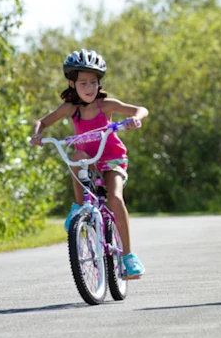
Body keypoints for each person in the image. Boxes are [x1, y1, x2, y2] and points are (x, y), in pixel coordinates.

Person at [30, 49, 148, 280]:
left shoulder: (106, 105)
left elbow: (139, 109)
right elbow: (41, 122)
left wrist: (136, 119)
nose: (89, 88)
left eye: (93, 82)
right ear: (71, 83)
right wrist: (37, 135)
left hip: (112, 158)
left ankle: (128, 256)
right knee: (76, 154)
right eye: (83, 82)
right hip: (87, 162)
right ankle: (78, 206)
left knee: (115, 198)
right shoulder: (70, 109)